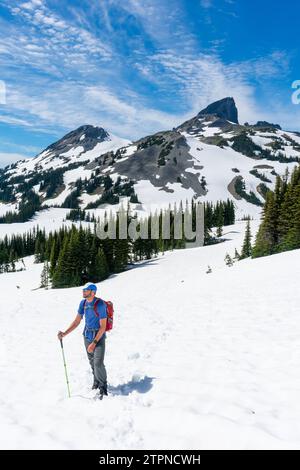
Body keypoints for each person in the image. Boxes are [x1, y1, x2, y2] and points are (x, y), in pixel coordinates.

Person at [57, 282, 108, 399]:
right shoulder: (83, 303)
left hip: (98, 337)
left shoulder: (100, 304)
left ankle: (103, 386)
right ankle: (96, 381)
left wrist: (94, 343)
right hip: (87, 335)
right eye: (83, 290)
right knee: (91, 361)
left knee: (98, 362)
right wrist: (64, 333)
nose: (83, 291)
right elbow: (77, 321)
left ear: (93, 292)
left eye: (86, 290)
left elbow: (103, 327)